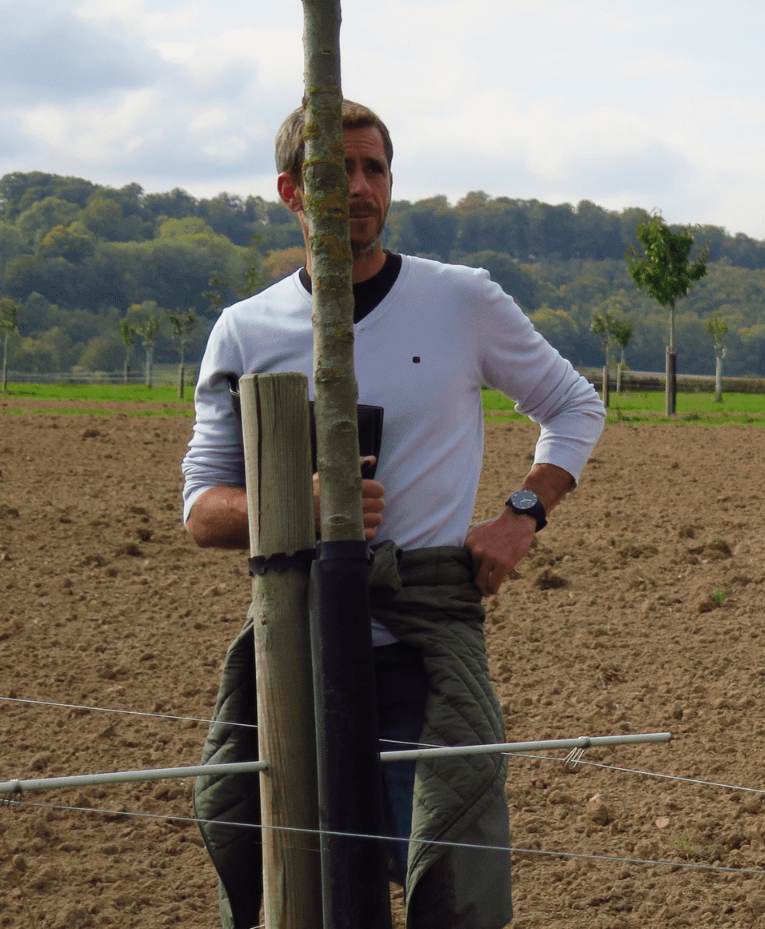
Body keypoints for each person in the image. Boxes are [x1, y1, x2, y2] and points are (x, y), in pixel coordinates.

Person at [181, 101, 605, 929]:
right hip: (292, 638)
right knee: (263, 842)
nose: (363, 188)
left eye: (375, 169)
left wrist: (523, 514)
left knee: (453, 863)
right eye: (338, 172)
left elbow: (574, 405)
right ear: (291, 191)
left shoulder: (462, 301)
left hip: (424, 635)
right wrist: (293, 505)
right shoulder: (244, 331)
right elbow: (200, 508)